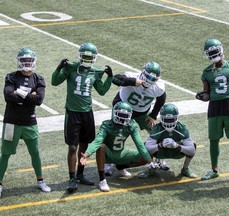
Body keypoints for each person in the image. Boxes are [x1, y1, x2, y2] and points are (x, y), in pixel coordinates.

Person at [51, 42, 113, 193]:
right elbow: (54, 81)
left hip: (87, 112)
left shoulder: (95, 72)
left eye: (89, 56)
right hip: (72, 112)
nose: (86, 59)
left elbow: (102, 91)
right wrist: (59, 67)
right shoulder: (71, 68)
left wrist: (109, 78)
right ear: (79, 55)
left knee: (84, 145)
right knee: (73, 147)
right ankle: (72, 179)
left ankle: (80, 174)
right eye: (84, 56)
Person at [0, 48, 51, 197]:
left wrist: (19, 92)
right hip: (11, 122)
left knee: (35, 153)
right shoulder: (11, 77)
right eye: (24, 61)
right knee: (5, 154)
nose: (26, 63)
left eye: (29, 60)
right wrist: (29, 94)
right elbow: (8, 97)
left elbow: (39, 100)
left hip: (30, 122)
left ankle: (40, 181)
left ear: (34, 62)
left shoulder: (39, 79)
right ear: (19, 62)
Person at [197, 38, 229, 184]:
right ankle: (214, 170)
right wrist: (201, 96)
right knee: (214, 140)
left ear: (221, 49)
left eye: (214, 51)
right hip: (214, 106)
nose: (213, 55)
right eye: (210, 53)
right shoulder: (206, 72)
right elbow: (207, 94)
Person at [104, 61, 169, 176]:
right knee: (114, 135)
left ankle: (160, 157)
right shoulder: (132, 76)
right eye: (148, 77)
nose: (149, 80)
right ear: (143, 73)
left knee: (157, 133)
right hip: (122, 108)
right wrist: (133, 82)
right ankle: (108, 162)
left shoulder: (158, 87)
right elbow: (114, 79)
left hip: (142, 112)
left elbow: (161, 99)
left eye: (153, 79)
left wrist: (153, 115)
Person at [80, 101, 156, 192]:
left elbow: (139, 144)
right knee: (101, 146)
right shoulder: (107, 125)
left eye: (125, 116)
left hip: (121, 152)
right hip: (108, 154)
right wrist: (86, 154)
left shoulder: (131, 125)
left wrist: (149, 161)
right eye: (120, 115)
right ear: (114, 113)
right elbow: (97, 141)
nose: (122, 118)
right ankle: (102, 180)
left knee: (146, 155)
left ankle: (120, 167)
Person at [138, 103, 197, 178]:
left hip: (176, 152)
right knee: (146, 144)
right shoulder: (157, 129)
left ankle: (185, 169)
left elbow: (192, 150)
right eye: (166, 120)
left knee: (193, 144)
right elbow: (147, 150)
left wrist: (177, 146)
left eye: (171, 119)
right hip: (161, 152)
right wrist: (160, 145)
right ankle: (151, 169)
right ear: (162, 118)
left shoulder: (182, 128)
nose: (169, 123)